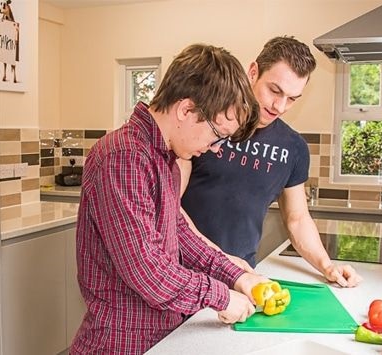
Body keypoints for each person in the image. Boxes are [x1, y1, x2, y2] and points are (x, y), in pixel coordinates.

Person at [70, 43, 269, 354]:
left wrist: (238, 277)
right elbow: (150, 273)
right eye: (217, 135)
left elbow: (182, 236)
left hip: (160, 337)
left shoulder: (163, 159)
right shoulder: (122, 159)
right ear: (186, 109)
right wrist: (221, 295)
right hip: (121, 343)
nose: (217, 148)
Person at [180, 36, 362, 287]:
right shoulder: (208, 124)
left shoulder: (293, 147)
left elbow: (297, 218)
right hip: (184, 272)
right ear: (253, 72)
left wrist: (327, 265)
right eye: (274, 90)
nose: (280, 106)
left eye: (292, 98)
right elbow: (171, 207)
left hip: (243, 277)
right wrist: (219, 260)